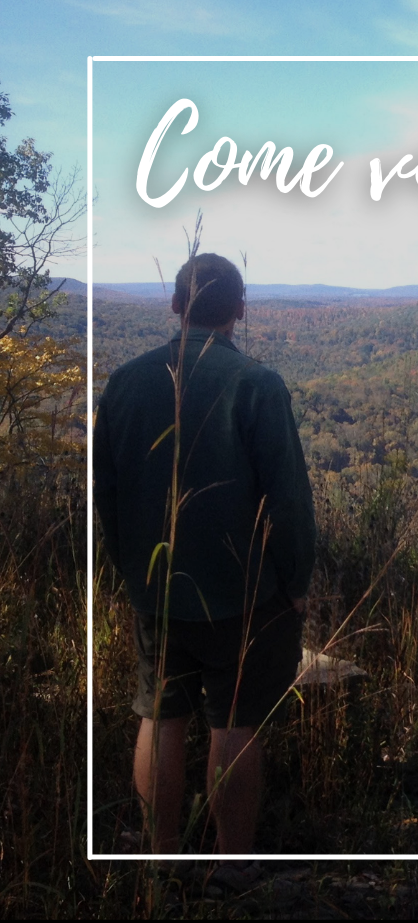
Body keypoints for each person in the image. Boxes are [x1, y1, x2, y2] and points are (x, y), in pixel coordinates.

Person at [93, 253, 316, 871]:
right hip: (241, 595)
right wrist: (295, 582)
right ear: (240, 310)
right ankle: (232, 867)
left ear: (174, 304)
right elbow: (289, 500)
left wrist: (133, 571)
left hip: (155, 592)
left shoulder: (125, 382)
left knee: (160, 717)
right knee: (235, 723)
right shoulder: (256, 384)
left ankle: (160, 863)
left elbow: (104, 494)